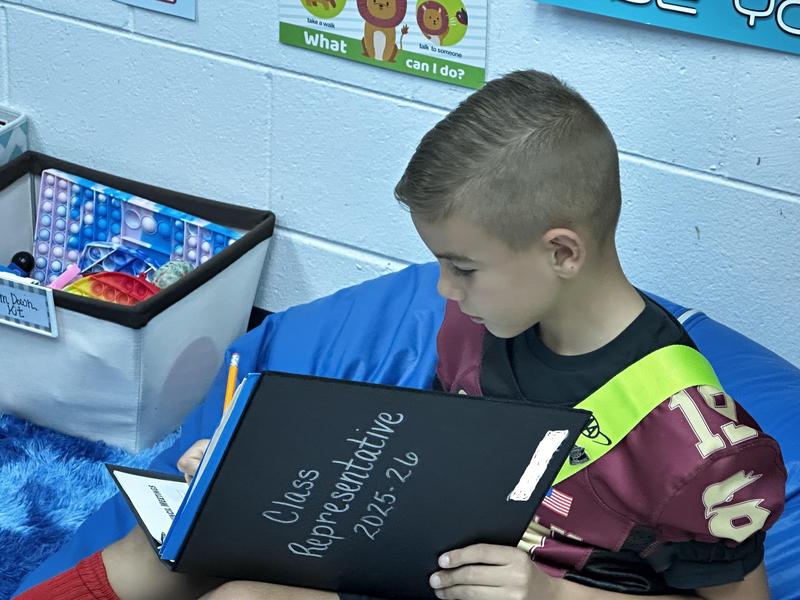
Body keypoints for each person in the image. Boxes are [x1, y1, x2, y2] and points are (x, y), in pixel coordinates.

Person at [17, 69, 786, 600]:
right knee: (172, 540)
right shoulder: (479, 322)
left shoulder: (701, 447)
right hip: (440, 563)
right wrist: (248, 475)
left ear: (561, 251)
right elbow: (418, 454)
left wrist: (551, 593)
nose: (442, 291)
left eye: (462, 267)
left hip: (538, 590)